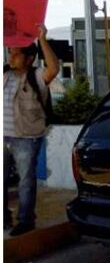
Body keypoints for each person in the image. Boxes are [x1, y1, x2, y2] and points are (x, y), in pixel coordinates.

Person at [3, 25, 58, 236]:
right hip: (3, 137)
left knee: (26, 181)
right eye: (10, 52)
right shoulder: (4, 74)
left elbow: (53, 68)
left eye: (16, 54)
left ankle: (25, 220)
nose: (11, 57)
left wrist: (42, 38)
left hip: (26, 139)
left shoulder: (36, 78)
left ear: (29, 58)